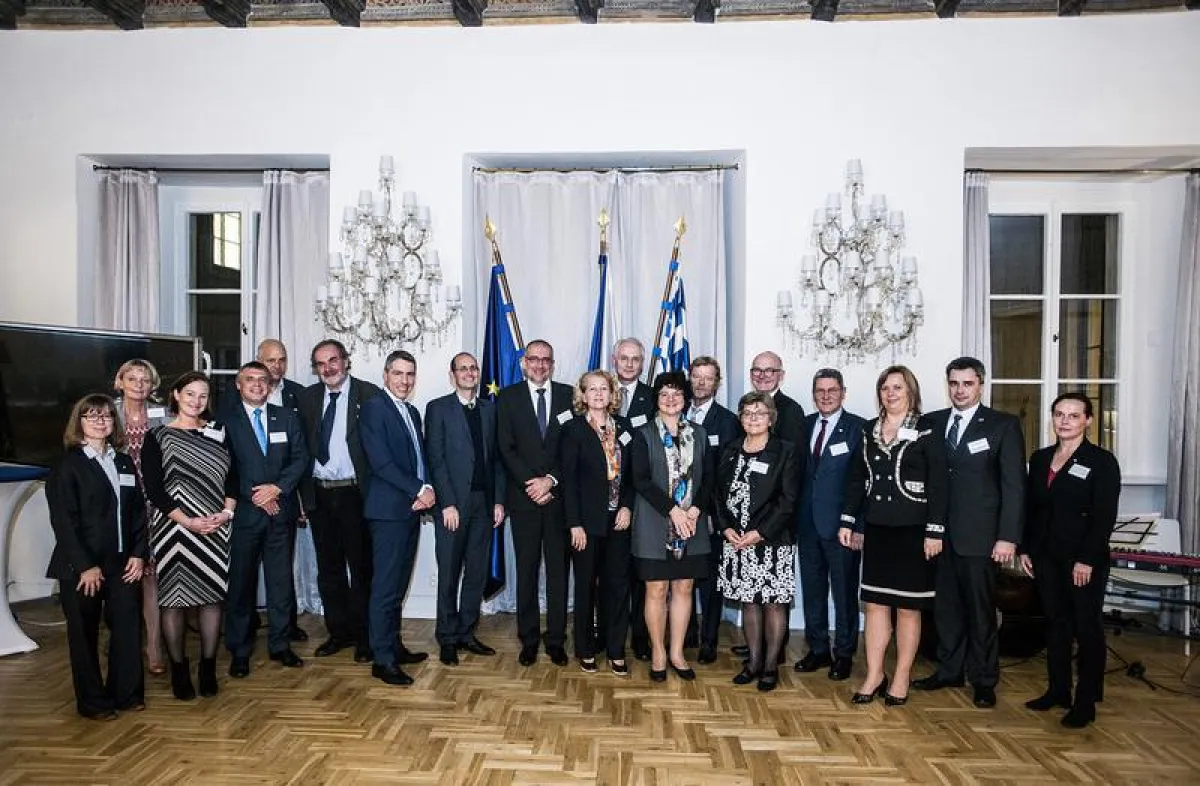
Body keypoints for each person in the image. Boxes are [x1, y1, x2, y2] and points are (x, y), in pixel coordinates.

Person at [913, 357, 1026, 708]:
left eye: (967, 383)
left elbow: (1014, 486)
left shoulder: (1002, 425)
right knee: (945, 610)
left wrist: (1008, 537)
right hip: (938, 536)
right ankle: (949, 670)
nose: (960, 390)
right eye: (954, 383)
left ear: (980, 385)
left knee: (980, 612)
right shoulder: (931, 422)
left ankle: (984, 679)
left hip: (981, 538)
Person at [840, 365, 948, 706]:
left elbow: (939, 482)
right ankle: (874, 674)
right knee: (875, 604)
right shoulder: (868, 429)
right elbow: (857, 479)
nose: (891, 393)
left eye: (897, 387)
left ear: (911, 392)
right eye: (885, 388)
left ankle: (901, 674)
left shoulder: (928, 428)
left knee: (908, 608)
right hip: (878, 528)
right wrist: (848, 520)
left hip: (914, 530)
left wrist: (935, 530)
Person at [1020, 392, 1120, 729]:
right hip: (1046, 557)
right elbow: (1032, 509)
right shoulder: (1040, 458)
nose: (1065, 421)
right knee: (1055, 624)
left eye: (1074, 415)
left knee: (1086, 628)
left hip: (1082, 560)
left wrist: (1087, 559)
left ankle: (1086, 701)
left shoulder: (1101, 462)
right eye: (1060, 414)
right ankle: (1058, 690)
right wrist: (1025, 549)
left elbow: (1104, 516)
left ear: (1088, 420)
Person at [45, 394, 147, 720]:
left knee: (128, 628)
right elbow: (64, 521)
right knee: (84, 635)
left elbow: (137, 513)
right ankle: (93, 702)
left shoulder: (123, 461)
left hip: (122, 564)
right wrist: (85, 566)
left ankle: (127, 694)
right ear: (79, 423)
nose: (101, 422)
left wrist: (139, 554)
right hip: (81, 567)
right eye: (92, 416)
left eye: (106, 416)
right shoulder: (67, 466)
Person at [140, 372, 235, 700]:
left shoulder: (219, 432)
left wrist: (225, 514)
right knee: (174, 601)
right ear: (176, 395)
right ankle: (179, 670)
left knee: (212, 598)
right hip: (175, 529)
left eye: (203, 395)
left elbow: (233, 479)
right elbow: (155, 490)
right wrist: (189, 522)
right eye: (190, 394)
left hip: (215, 527)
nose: (197, 401)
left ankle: (207, 667)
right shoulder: (158, 436)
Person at [222, 361, 309, 678]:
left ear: (270, 385)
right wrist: (257, 494)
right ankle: (239, 650)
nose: (257, 384)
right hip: (244, 514)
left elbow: (300, 458)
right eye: (250, 379)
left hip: (280, 513)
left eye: (262, 379)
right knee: (241, 584)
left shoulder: (286, 417)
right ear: (239, 385)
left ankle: (280, 644)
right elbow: (224, 467)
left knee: (280, 581)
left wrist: (277, 489)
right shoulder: (224, 421)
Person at [298, 339, 381, 664]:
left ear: (345, 361)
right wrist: (302, 496)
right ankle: (338, 632)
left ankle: (364, 637)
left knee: (361, 569)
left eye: (333, 360)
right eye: (321, 364)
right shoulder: (307, 399)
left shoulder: (369, 395)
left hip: (356, 494)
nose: (328, 368)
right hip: (319, 494)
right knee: (328, 569)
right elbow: (300, 450)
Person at [629, 371, 712, 682]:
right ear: (656, 399)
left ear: (685, 399)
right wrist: (674, 510)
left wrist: (695, 510)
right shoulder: (643, 434)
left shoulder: (700, 434)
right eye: (664, 394)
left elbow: (708, 479)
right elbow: (640, 480)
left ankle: (677, 652)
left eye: (677, 393)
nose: (670, 399)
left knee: (684, 587)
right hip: (654, 523)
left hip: (692, 524)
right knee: (657, 589)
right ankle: (658, 653)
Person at [496, 339, 574, 668]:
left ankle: (555, 639)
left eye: (546, 360)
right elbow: (505, 447)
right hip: (524, 499)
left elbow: (573, 448)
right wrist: (533, 484)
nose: (540, 365)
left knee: (558, 573)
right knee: (526, 572)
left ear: (552, 364)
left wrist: (551, 480)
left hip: (558, 500)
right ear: (524, 363)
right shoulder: (508, 398)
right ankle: (528, 639)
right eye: (534, 359)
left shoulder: (570, 395)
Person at [425, 352, 506, 666]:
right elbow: (435, 459)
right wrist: (446, 503)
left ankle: (466, 633)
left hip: (483, 504)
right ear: (453, 375)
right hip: (453, 506)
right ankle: (447, 637)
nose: (470, 373)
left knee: (475, 573)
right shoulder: (438, 408)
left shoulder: (489, 409)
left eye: (473, 368)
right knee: (448, 574)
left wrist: (498, 500)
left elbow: (496, 460)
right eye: (463, 369)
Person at [716, 392, 801, 692]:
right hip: (736, 540)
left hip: (771, 541)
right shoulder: (729, 450)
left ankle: (770, 666)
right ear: (740, 418)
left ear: (771, 418)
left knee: (774, 604)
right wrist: (726, 528)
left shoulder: (785, 451)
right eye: (747, 413)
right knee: (749, 602)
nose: (753, 418)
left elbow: (788, 500)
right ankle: (753, 662)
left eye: (760, 413)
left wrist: (760, 532)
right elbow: (717, 494)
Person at [360, 350, 435, 685]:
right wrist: (419, 489)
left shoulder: (411, 411)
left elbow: (418, 457)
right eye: (398, 373)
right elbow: (381, 463)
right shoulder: (374, 408)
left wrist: (426, 489)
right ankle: (382, 660)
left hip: (410, 510)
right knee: (385, 588)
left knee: (399, 585)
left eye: (410, 374)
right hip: (387, 512)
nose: (405, 381)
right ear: (386, 375)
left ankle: (394, 646)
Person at [559, 370, 635, 675]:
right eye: (592, 389)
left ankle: (615, 649)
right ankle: (585, 648)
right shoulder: (573, 429)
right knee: (586, 586)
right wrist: (574, 523)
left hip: (618, 521)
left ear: (612, 393)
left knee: (617, 587)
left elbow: (633, 475)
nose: (599, 394)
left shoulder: (625, 428)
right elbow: (568, 481)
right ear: (583, 395)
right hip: (586, 524)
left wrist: (627, 506)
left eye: (604, 388)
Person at [794, 368, 865, 682]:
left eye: (832, 390)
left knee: (844, 592)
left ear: (843, 393)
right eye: (820, 391)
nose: (826, 396)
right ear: (814, 394)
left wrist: (858, 525)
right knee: (812, 590)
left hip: (842, 527)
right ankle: (818, 649)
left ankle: (844, 654)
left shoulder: (859, 428)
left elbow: (863, 482)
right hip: (807, 524)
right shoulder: (804, 425)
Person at [112, 359, 170, 675]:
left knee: (152, 577)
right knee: (120, 577)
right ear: (120, 382)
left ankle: (154, 646)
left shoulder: (163, 415)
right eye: (132, 379)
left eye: (145, 380)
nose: (139, 385)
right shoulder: (107, 413)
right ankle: (122, 643)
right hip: (118, 506)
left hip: (154, 506)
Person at [687, 356, 742, 664]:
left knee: (709, 581)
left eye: (708, 378)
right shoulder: (675, 411)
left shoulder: (728, 421)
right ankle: (687, 633)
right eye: (697, 376)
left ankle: (708, 640)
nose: (701, 382)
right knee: (682, 576)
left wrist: (713, 515)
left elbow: (727, 475)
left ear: (717, 383)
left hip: (710, 515)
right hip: (678, 512)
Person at [255, 338, 307, 644]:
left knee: (282, 567)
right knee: (246, 569)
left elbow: (303, 450)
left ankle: (286, 626)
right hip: (250, 498)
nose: (277, 366)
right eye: (270, 360)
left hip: (286, 494)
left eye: (282, 360)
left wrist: (286, 492)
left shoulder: (299, 394)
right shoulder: (238, 395)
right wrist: (259, 493)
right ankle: (247, 625)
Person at [612, 338, 655, 661]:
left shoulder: (653, 397)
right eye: (624, 358)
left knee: (641, 572)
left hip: (642, 496)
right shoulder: (600, 392)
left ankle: (641, 636)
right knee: (610, 572)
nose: (629, 364)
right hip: (607, 495)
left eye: (635, 359)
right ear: (615, 360)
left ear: (642, 363)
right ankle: (607, 632)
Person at [748, 350, 805, 446]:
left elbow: (791, 451)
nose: (762, 376)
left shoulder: (792, 410)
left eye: (769, 371)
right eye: (757, 370)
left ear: (781, 376)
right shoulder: (746, 405)